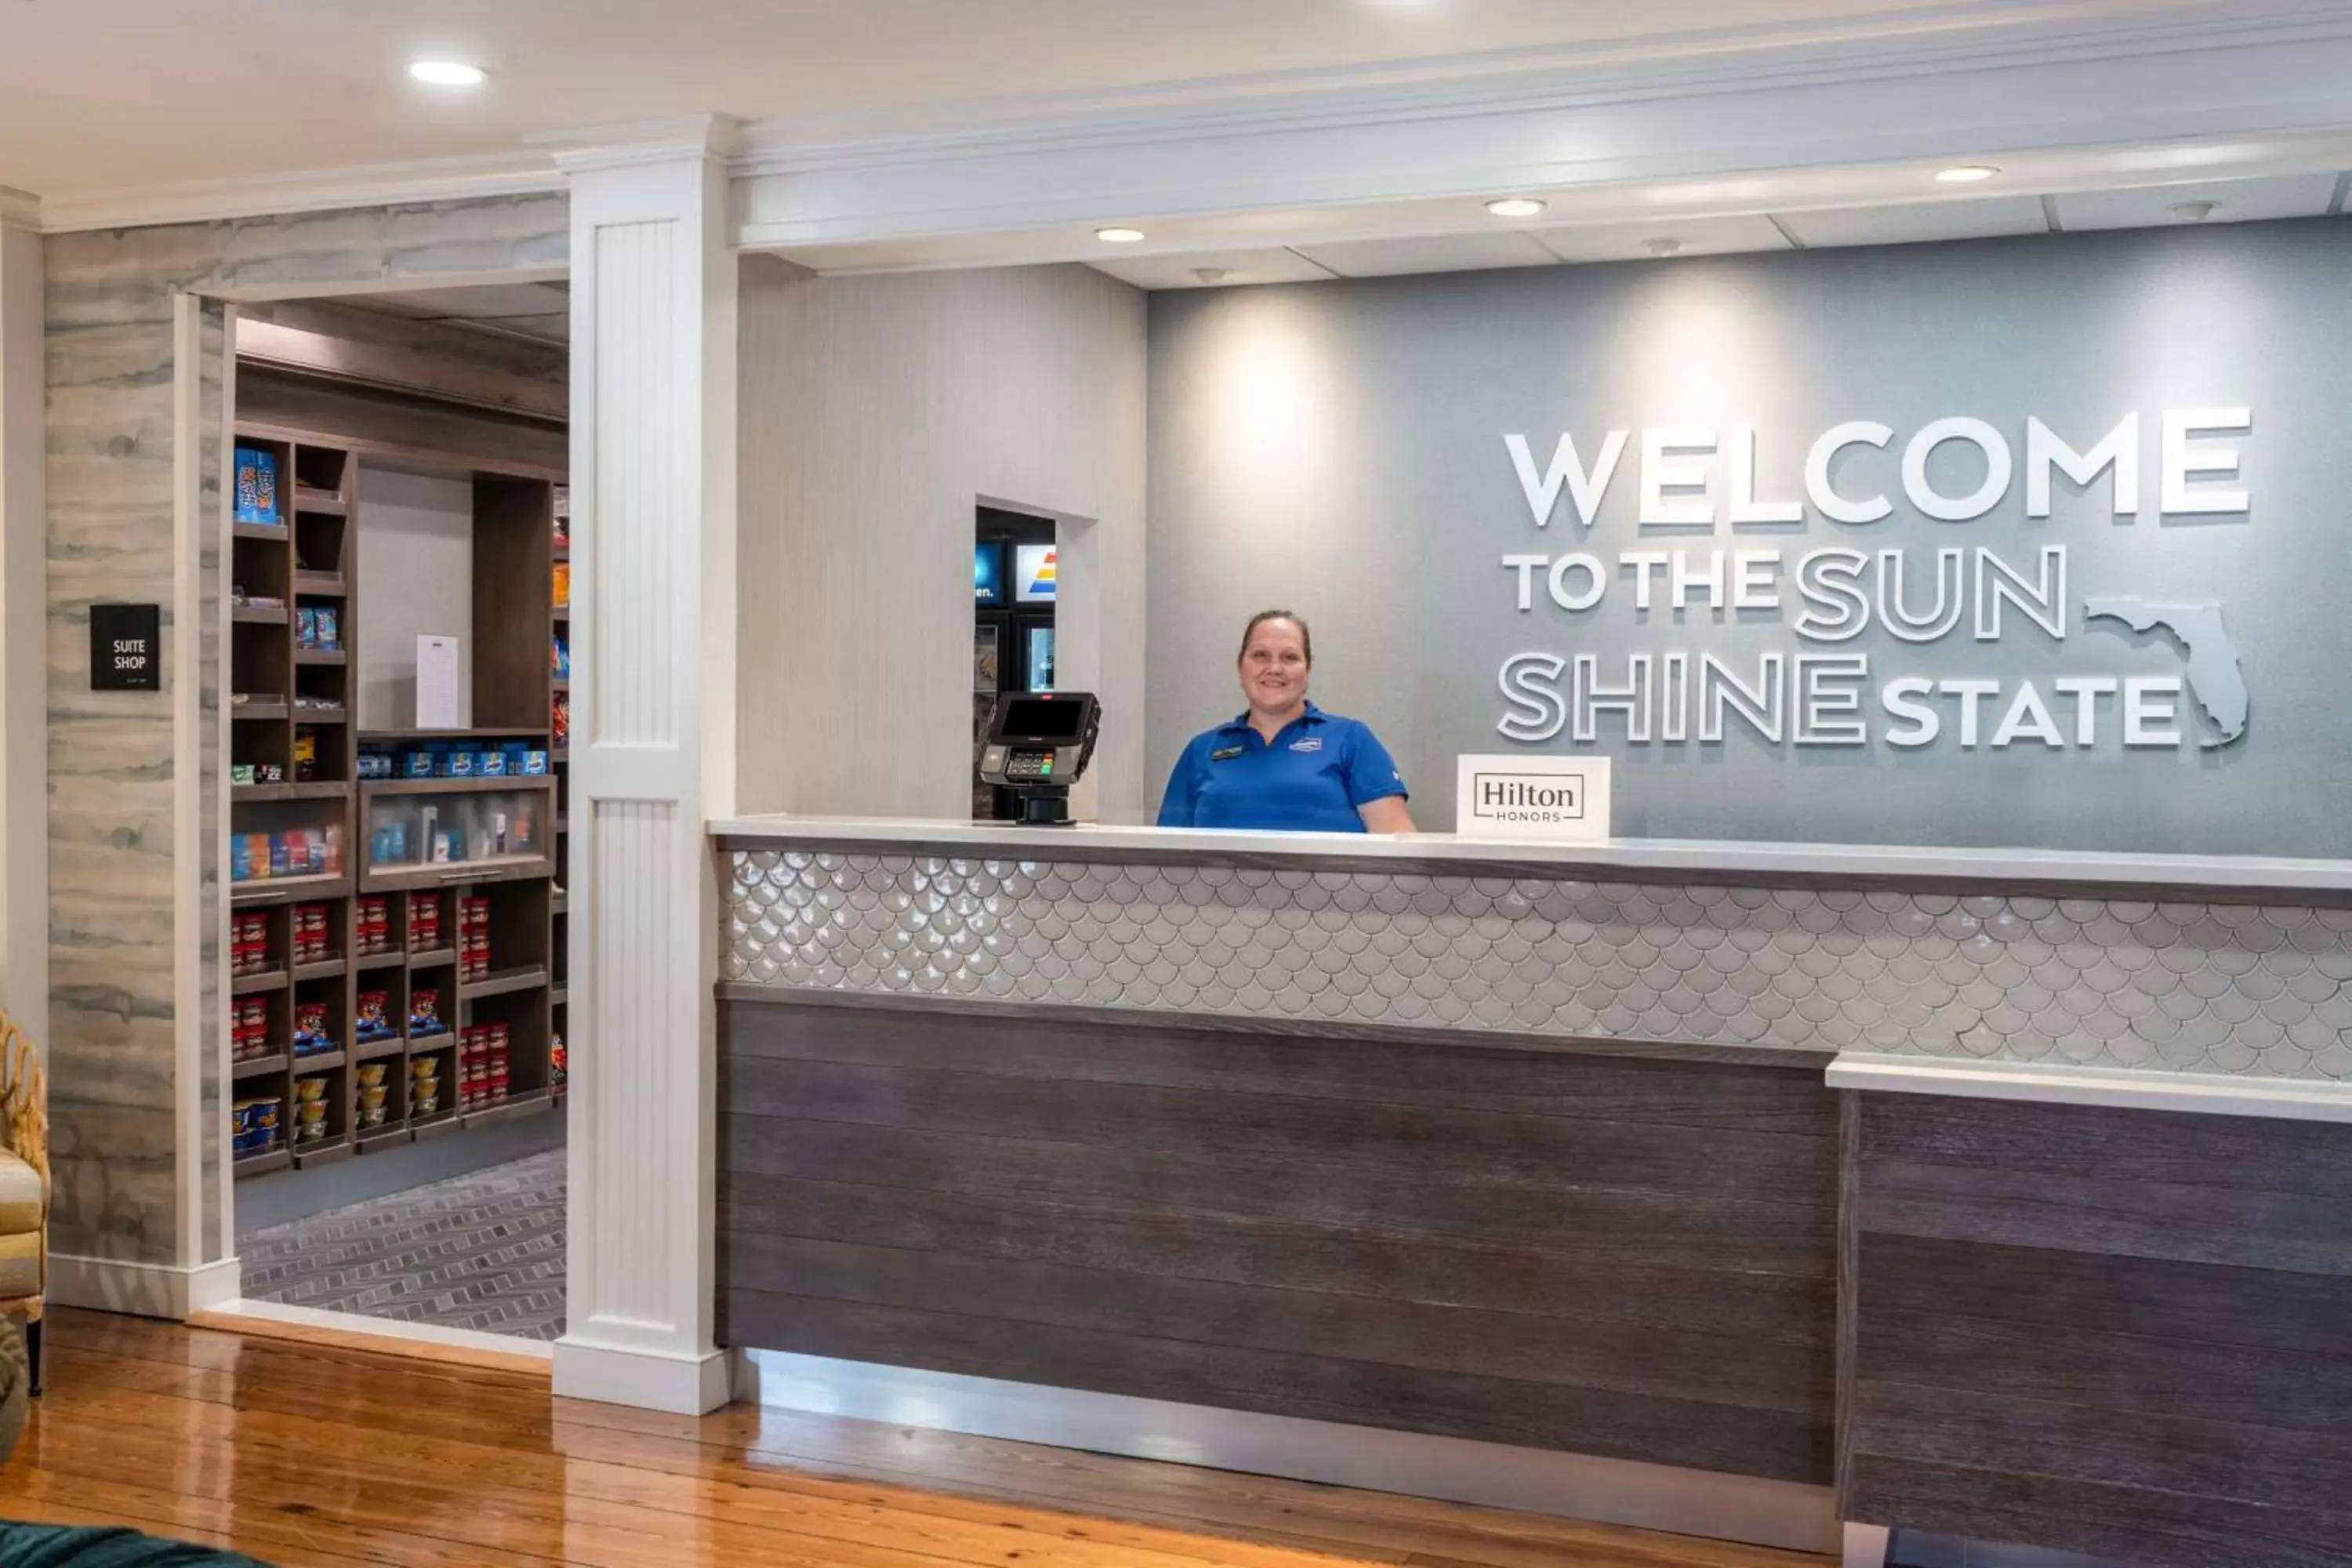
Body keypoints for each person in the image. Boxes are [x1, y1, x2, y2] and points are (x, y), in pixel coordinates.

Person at [1157, 611, 1414, 833]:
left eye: (1290, 657)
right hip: (1217, 891)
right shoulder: (1201, 750)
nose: (1275, 668)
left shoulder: (1351, 740)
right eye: (1260, 655)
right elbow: (1165, 856)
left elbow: (1396, 844)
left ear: (1308, 670)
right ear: (1240, 667)